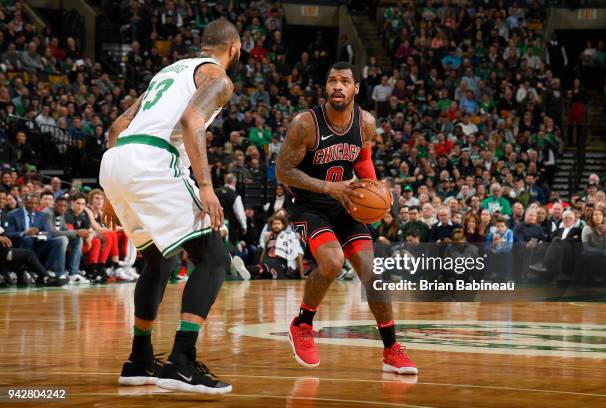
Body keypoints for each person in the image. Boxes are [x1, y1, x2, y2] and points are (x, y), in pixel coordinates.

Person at [100, 19, 241, 394]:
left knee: (158, 261)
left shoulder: (169, 71)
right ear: (235, 49)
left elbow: (115, 127)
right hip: (153, 161)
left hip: (117, 162)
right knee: (214, 257)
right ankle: (181, 361)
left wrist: (113, 193)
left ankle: (139, 360)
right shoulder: (219, 78)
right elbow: (192, 121)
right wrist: (207, 187)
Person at [276, 61, 417, 374]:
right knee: (332, 262)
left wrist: (380, 194)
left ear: (355, 88)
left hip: (347, 202)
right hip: (309, 205)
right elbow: (283, 171)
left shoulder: (365, 122)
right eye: (331, 81)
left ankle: (392, 348)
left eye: (344, 81)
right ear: (325, 88)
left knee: (371, 271)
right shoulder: (306, 124)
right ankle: (302, 325)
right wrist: (329, 187)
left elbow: (363, 161)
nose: (337, 86)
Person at [41, 196, 88, 283]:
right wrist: (76, 232)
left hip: (56, 242)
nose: (62, 208)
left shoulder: (61, 214)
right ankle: (60, 273)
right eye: (60, 205)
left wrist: (79, 234)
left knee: (78, 239)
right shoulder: (47, 213)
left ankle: (73, 274)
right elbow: (52, 232)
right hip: (43, 243)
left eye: (64, 206)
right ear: (54, 205)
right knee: (63, 239)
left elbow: (65, 230)